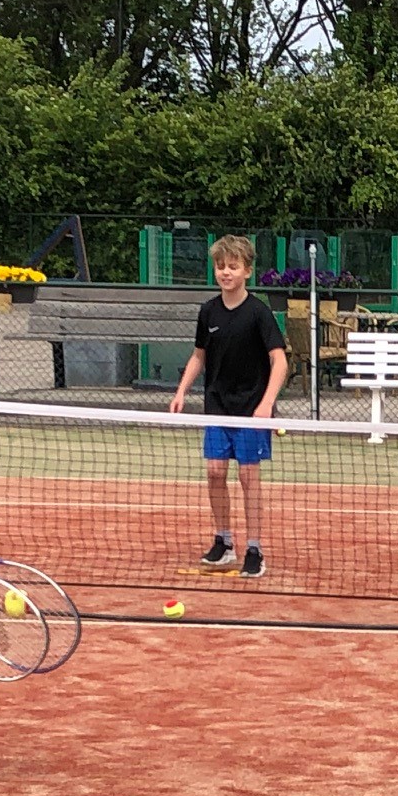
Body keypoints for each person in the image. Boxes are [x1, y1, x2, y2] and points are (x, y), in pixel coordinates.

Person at [169, 235, 289, 579]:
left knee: (248, 477)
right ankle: (223, 542)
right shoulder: (208, 311)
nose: (225, 272)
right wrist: (181, 392)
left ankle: (254, 548)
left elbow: (279, 362)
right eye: (221, 266)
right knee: (215, 472)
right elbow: (198, 356)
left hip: (252, 411)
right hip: (217, 407)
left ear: (247, 271)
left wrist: (266, 404)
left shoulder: (259, 313)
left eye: (233, 266)